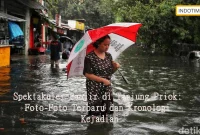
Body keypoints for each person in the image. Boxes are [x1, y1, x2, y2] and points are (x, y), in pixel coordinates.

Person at [83, 35, 120, 117]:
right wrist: (103, 80)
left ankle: (105, 128)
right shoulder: (89, 57)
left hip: (106, 86)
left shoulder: (108, 56)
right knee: (95, 113)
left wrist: (115, 67)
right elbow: (87, 74)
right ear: (98, 43)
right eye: (105, 45)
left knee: (106, 112)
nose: (107, 47)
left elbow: (109, 73)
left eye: (108, 45)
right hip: (94, 88)